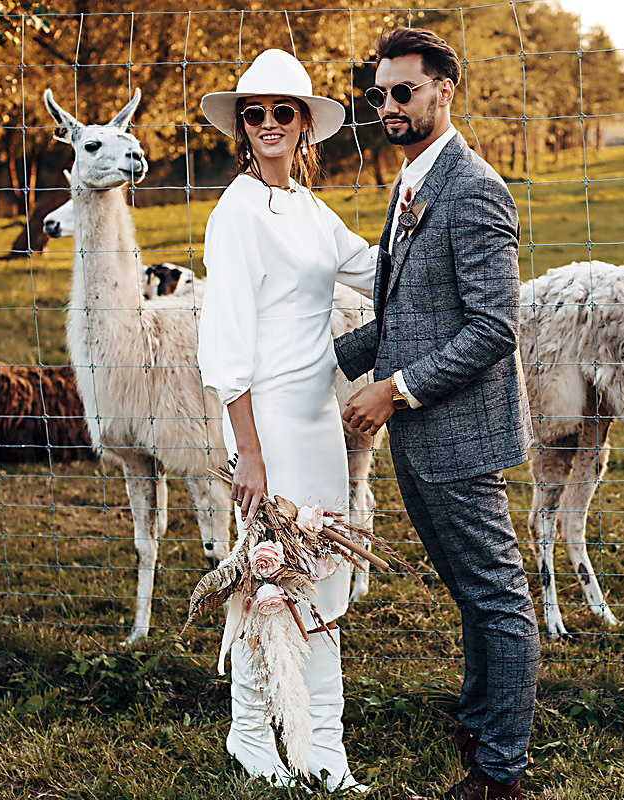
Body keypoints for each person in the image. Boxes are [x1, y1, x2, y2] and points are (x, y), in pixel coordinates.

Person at [336, 27, 539, 800]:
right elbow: (406, 313)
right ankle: (483, 719)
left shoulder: (475, 187)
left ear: (444, 91)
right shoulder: (413, 181)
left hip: (456, 430)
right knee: (469, 591)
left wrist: (394, 390)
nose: (387, 105)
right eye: (378, 93)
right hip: (420, 437)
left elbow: (494, 327)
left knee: (497, 596)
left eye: (403, 92)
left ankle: (500, 772)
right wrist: (321, 364)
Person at [197, 48, 375, 792]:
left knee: (323, 571)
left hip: (317, 416)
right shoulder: (236, 210)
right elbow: (225, 339)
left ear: (306, 126)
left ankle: (323, 746)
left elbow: (371, 265)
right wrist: (250, 454)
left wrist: (445, 247)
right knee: (265, 576)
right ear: (243, 126)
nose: (268, 124)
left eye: (283, 112)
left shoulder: (307, 207)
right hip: (267, 419)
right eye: (255, 113)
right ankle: (251, 734)